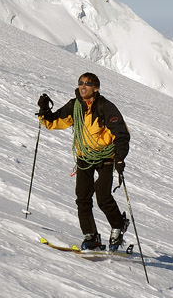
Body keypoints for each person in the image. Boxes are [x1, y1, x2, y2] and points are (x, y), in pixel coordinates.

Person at [37, 72, 131, 251]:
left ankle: (118, 225)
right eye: (81, 83)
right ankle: (91, 235)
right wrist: (44, 110)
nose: (82, 86)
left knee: (103, 196)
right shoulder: (75, 106)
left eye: (87, 84)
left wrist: (119, 158)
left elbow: (121, 133)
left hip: (106, 157)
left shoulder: (105, 107)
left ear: (96, 88)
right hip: (84, 156)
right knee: (83, 197)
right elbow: (55, 121)